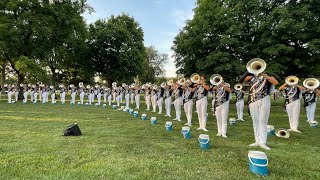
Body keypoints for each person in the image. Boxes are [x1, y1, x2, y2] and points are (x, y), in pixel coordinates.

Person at [240, 58, 278, 150]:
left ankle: (263, 142)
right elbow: (242, 80)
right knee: (255, 121)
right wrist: (250, 71)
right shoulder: (251, 78)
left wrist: (264, 75)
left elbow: (275, 82)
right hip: (253, 101)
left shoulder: (268, 77)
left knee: (263, 121)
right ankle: (257, 140)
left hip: (264, 99)